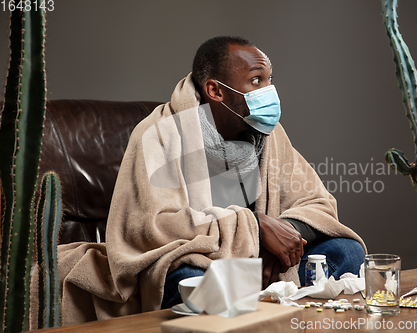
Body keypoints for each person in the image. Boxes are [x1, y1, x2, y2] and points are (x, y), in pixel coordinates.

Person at [56, 36, 366, 324]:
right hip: (203, 264)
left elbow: (318, 203)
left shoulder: (269, 135)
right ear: (215, 90)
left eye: (270, 80)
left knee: (346, 250)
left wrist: (280, 238)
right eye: (257, 80)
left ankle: (266, 313)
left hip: (265, 265)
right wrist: (256, 228)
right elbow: (154, 226)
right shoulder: (160, 134)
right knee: (187, 277)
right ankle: (257, 315)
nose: (269, 90)